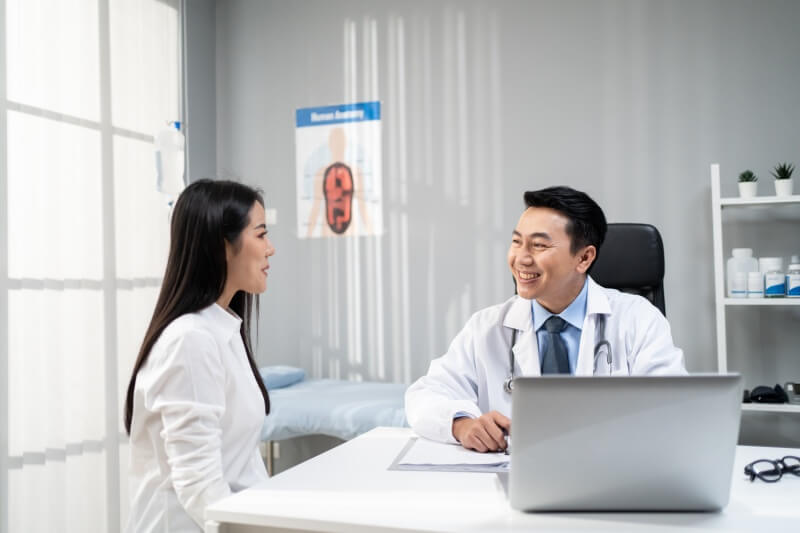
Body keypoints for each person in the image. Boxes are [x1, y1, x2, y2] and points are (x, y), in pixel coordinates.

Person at [405, 186, 686, 453]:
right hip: (514, 482)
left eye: (539, 246)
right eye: (517, 242)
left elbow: (672, 407)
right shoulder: (487, 327)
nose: (521, 259)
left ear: (584, 258)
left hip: (612, 475)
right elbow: (424, 395)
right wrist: (461, 424)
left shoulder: (637, 319)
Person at [123, 179, 276, 532]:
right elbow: (199, 485)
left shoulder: (221, 328)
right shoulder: (190, 340)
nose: (270, 248)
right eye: (260, 234)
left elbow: (238, 465)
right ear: (224, 245)